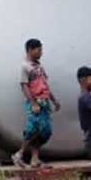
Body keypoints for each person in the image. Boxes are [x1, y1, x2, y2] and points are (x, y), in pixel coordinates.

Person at [14, 38, 61, 168]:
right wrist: (33, 103)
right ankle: (19, 154)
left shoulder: (39, 67)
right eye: (39, 50)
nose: (41, 53)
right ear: (30, 50)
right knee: (34, 129)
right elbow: (24, 86)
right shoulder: (25, 67)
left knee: (45, 131)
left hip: (44, 101)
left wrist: (53, 100)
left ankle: (35, 159)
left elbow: (45, 85)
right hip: (36, 102)